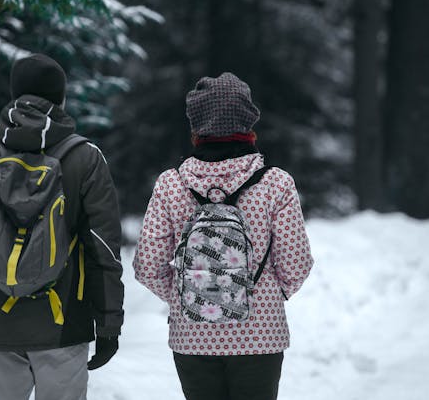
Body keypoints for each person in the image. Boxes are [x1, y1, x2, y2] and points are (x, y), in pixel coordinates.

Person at [0, 54, 124, 400]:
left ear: (14, 94)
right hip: (63, 323)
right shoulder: (86, 158)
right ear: (61, 98)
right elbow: (103, 248)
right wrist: (108, 322)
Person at [133, 72, 314, 400]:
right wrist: (268, 295)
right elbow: (296, 263)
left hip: (192, 336)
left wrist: (188, 295)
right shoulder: (276, 183)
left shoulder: (171, 184)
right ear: (249, 123)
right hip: (260, 335)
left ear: (195, 127)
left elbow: (147, 266)